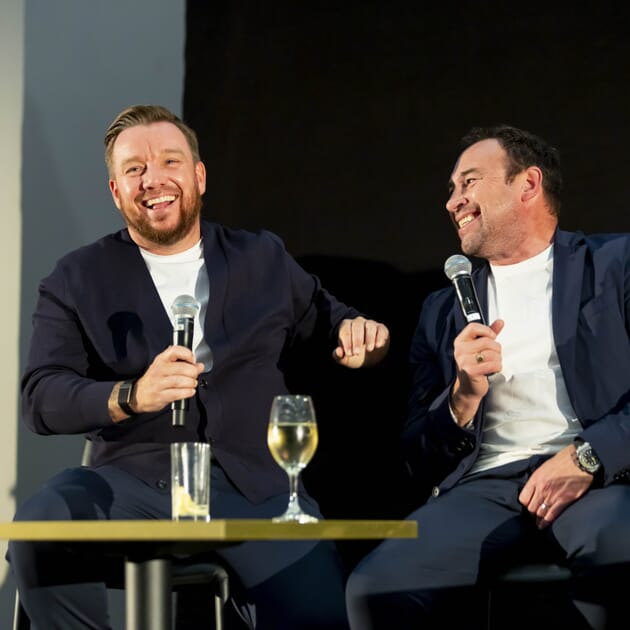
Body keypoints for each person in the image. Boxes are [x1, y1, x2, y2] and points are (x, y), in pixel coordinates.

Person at [9, 104, 390, 629]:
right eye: (135, 169)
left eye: (170, 161)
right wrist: (132, 395)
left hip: (258, 491)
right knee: (41, 527)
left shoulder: (261, 257)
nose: (154, 179)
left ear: (199, 176)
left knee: (319, 614)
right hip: (136, 484)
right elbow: (40, 397)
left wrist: (361, 336)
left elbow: (332, 320)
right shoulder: (76, 277)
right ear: (116, 191)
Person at [345, 124, 630, 629]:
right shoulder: (441, 311)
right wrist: (462, 397)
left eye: (469, 182)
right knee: (376, 588)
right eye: (451, 189)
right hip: (486, 489)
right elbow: (415, 457)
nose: (453, 200)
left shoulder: (614, 265)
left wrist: (588, 455)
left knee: (619, 552)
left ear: (528, 184)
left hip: (599, 477)